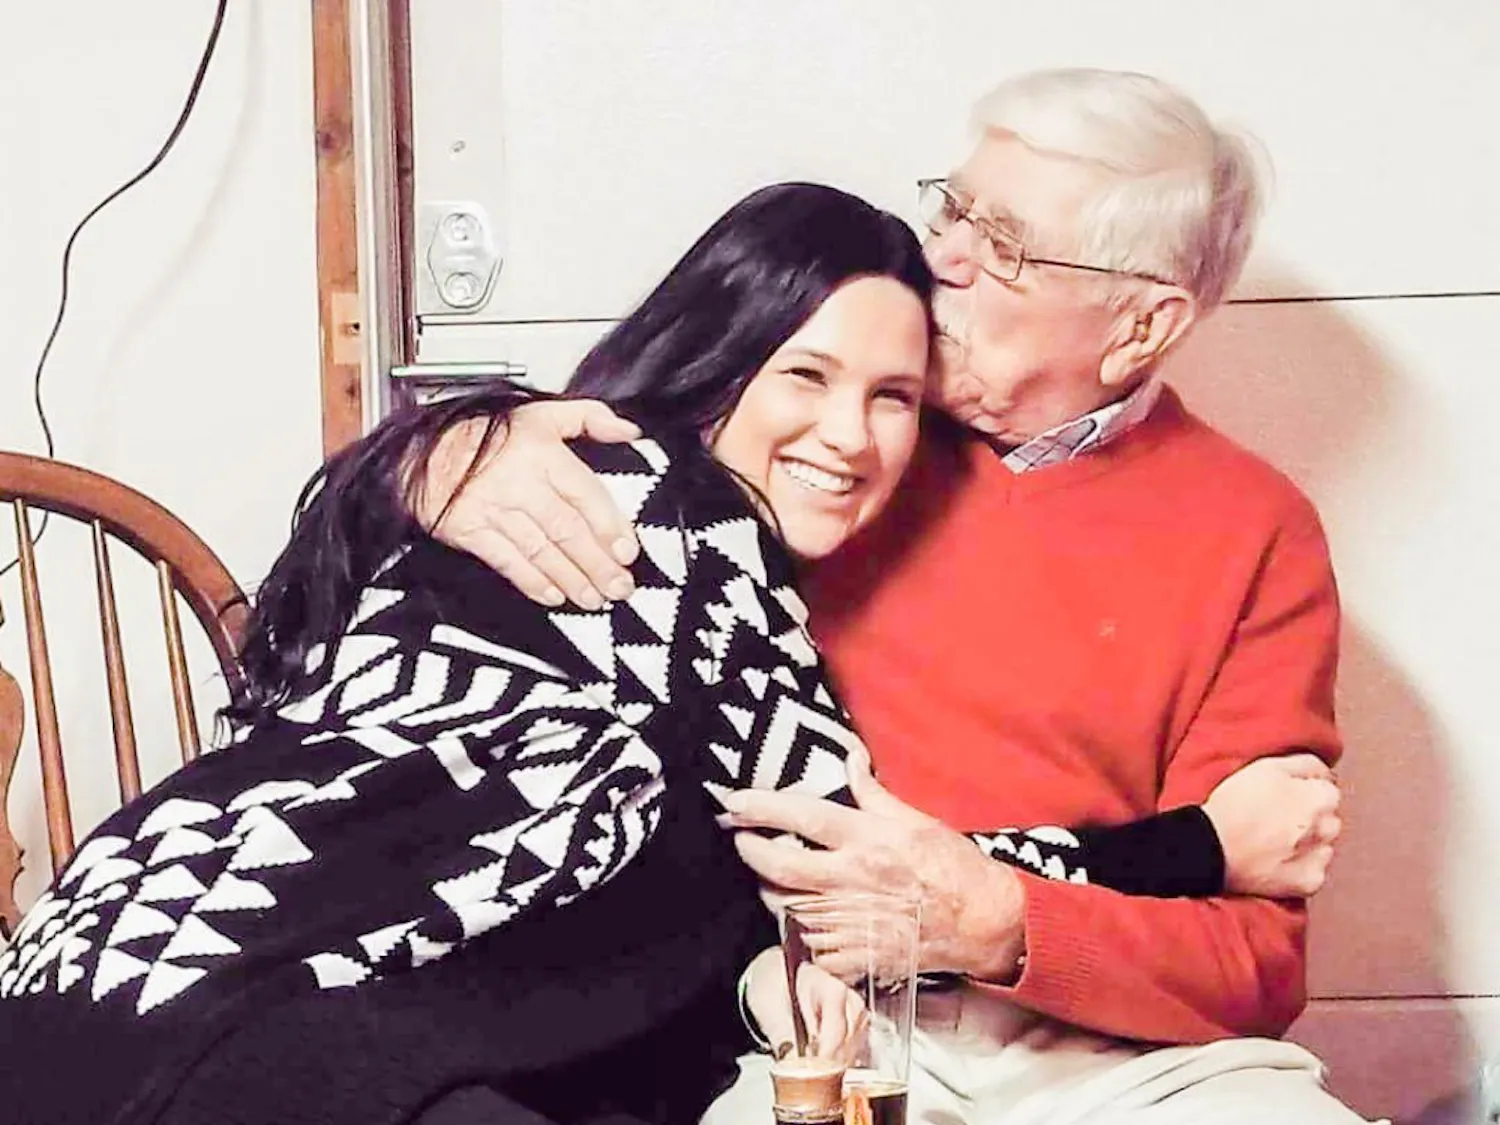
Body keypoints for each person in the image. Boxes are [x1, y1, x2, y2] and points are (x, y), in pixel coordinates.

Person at [0, 183, 1320, 1125]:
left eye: (893, 398)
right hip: (232, 1022)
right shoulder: (655, 509)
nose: (851, 437)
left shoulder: (578, 480)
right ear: (721, 359)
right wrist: (1203, 845)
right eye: (804, 376)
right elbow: (864, 869)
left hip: (108, 983)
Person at [409, 70, 1366, 1124]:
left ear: (1140, 326)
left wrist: (998, 923)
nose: (938, 255)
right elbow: (623, 445)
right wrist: (452, 451)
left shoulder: (1254, 529)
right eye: (951, 208)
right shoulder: (834, 446)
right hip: (828, 1014)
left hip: (1138, 1059)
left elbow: (1259, 961)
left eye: (1002, 246)